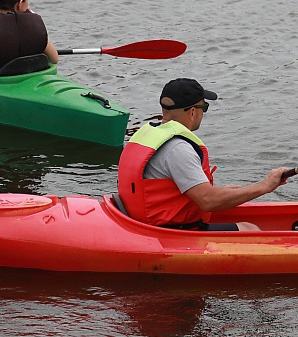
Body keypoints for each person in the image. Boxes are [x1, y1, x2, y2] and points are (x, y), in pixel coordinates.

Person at [117, 78, 289, 231]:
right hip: (171, 233)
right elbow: (208, 201)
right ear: (192, 112)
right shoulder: (177, 149)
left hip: (142, 224)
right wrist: (265, 186)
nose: (203, 113)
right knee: (250, 230)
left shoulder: (148, 135)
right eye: (204, 107)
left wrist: (222, 192)